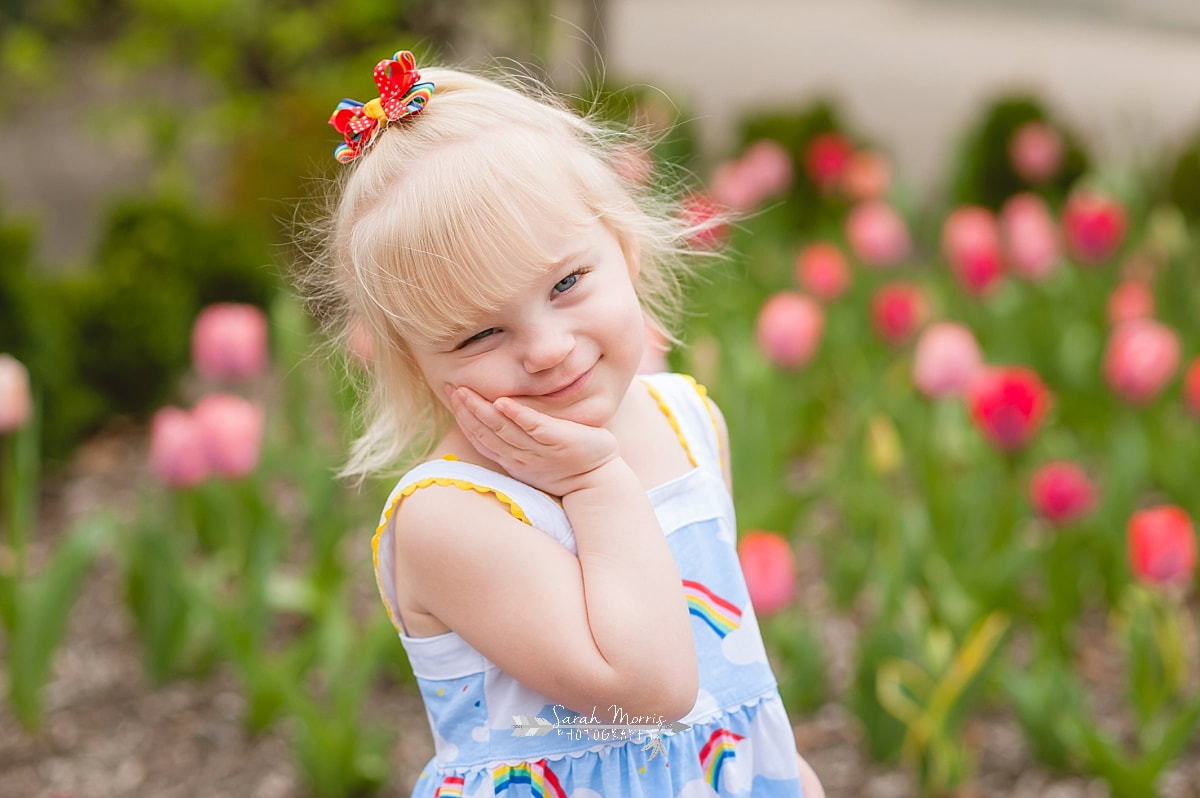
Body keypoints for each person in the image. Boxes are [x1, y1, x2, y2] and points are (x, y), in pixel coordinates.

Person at [310, 49, 826, 798]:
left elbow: (732, 671)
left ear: (625, 244)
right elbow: (648, 691)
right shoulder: (449, 516)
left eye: (566, 282)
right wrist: (593, 481)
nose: (547, 350)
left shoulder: (688, 421)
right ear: (414, 364)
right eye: (478, 335)